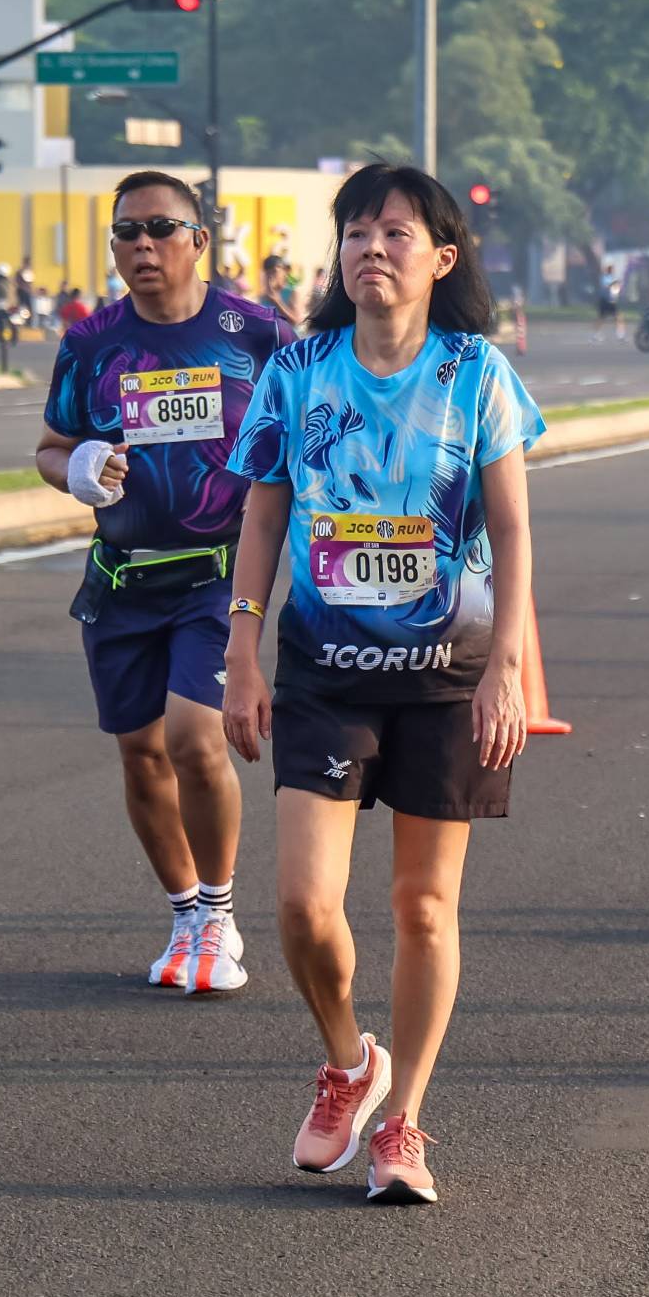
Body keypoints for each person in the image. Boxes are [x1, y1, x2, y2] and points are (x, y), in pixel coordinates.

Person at [222, 164, 543, 1206]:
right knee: (303, 904)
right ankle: (349, 1061)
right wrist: (241, 651)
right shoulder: (297, 371)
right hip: (326, 670)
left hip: (449, 677)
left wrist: (506, 670)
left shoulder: (476, 372)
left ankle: (403, 1123)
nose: (372, 248)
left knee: (424, 906)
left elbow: (511, 529)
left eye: (396, 233)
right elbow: (262, 516)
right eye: (357, 231)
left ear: (442, 257)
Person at [35, 171, 295, 993]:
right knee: (141, 753)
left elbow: (314, 432)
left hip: (216, 577)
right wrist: (78, 466)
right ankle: (185, 913)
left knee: (192, 738)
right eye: (126, 232)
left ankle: (218, 913)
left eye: (160, 228)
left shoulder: (259, 334)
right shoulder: (92, 343)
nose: (142, 246)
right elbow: (50, 446)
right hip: (121, 580)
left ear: (199, 240)